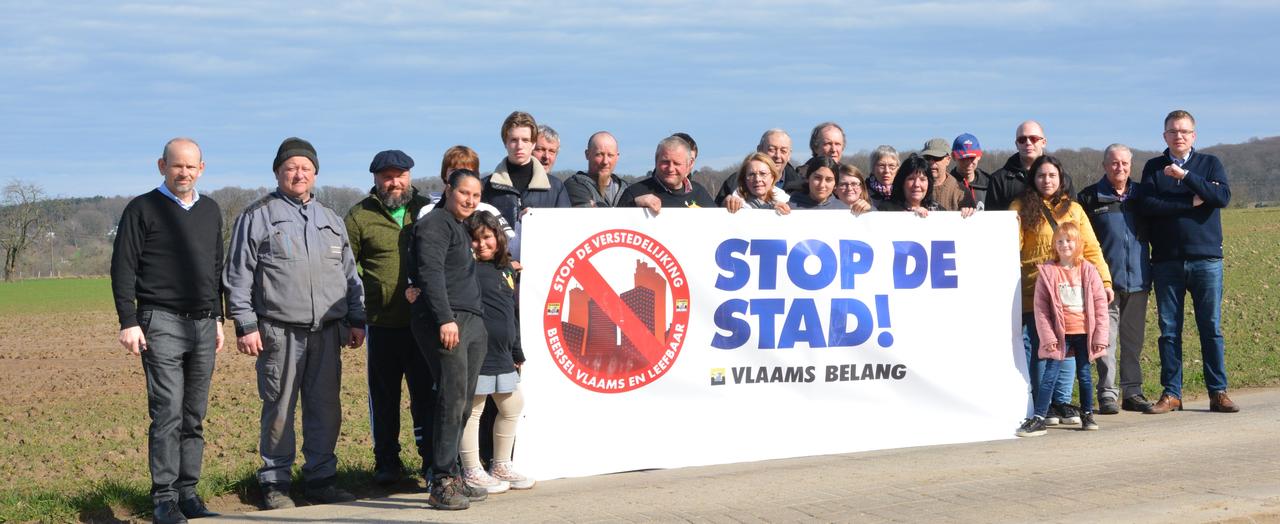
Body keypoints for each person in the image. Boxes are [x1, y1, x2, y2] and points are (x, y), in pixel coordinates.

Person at [224, 137, 366, 509]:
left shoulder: (331, 219)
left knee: (325, 408)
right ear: (278, 172)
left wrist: (357, 318)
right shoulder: (257, 216)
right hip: (278, 331)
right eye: (291, 167)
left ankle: (321, 479)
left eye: (306, 168)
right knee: (279, 408)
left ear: (315, 174)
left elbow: (349, 275)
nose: (298, 174)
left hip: (328, 332)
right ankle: (275, 482)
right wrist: (245, 324)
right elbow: (238, 274)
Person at [110, 137, 223, 524]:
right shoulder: (142, 209)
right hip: (160, 322)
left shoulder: (211, 210)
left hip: (204, 323)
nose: (184, 173)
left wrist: (219, 317)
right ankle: (164, 499)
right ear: (162, 166)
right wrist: (128, 320)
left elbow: (216, 267)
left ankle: (188, 493)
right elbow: (123, 267)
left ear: (201, 169)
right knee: (168, 413)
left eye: (191, 166)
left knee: (194, 414)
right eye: (177, 165)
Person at [344, 150, 435, 484]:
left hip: (424, 323)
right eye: (387, 177)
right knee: (384, 398)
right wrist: (357, 313)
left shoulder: (426, 210)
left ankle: (432, 461)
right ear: (375, 179)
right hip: (382, 323)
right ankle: (387, 463)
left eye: (400, 175)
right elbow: (346, 269)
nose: (394, 182)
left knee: (427, 396)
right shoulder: (359, 216)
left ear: (410, 176)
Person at [1138, 109, 1238, 414]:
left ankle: (1218, 392)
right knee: (1169, 330)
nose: (1178, 136)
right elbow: (1148, 205)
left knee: (1211, 328)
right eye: (1173, 131)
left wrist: (1186, 177)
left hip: (1206, 259)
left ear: (1193, 135)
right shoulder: (1154, 167)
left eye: (1184, 131)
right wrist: (1189, 202)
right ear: (1164, 136)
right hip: (1166, 261)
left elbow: (1221, 197)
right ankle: (1172, 393)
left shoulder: (1210, 163)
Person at [408, 168, 491, 510]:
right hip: (448, 319)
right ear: (447, 190)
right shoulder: (435, 224)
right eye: (464, 193)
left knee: (463, 402)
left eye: (476, 195)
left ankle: (453, 474)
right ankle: (441, 480)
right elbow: (429, 272)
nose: (470, 200)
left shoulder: (460, 227)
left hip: (471, 320)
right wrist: (444, 318)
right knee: (450, 400)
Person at [1009, 155, 1113, 428]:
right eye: (1041, 175)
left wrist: (1104, 281)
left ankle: (1062, 401)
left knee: (1069, 350)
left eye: (1052, 175)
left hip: (1072, 292)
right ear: (1033, 179)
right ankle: (1041, 404)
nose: (1047, 180)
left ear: (1061, 178)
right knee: (1043, 348)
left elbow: (1091, 247)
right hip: (1036, 290)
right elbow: (1010, 247)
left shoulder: (1074, 209)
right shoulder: (1020, 207)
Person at [458, 211, 535, 494]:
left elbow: (510, 313)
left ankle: (501, 465)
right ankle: (471, 470)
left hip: (503, 353)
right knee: (473, 411)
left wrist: (517, 350)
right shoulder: (464, 271)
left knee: (512, 406)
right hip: (477, 352)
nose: (482, 244)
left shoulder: (506, 270)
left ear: (498, 238)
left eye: (487, 237)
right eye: (475, 239)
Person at [1076, 144, 1152, 414]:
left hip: (1139, 280)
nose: (1120, 167)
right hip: (1104, 284)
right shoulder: (1089, 197)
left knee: (1133, 341)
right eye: (1114, 163)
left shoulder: (1143, 195)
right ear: (1104, 165)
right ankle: (1107, 394)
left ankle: (1133, 392)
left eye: (1125, 163)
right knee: (1105, 341)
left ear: (1131, 165)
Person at [1016, 222, 1110, 437]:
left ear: (1079, 244)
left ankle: (1087, 414)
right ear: (1054, 244)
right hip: (1060, 335)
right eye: (1059, 241)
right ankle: (1040, 417)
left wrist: (1100, 336)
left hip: (1084, 333)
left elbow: (1100, 306)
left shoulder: (1089, 270)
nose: (1064, 245)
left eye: (1069, 241)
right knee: (1050, 375)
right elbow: (1041, 309)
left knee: (1085, 375)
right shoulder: (1048, 272)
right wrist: (1048, 336)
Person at [481, 111, 571, 260]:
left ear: (533, 143)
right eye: (513, 140)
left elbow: (567, 233)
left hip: (543, 265)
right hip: (497, 268)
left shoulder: (555, 188)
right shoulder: (486, 187)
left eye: (525, 140)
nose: (519, 146)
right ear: (505, 142)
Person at [419, 146, 513, 239]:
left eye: (467, 171)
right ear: (444, 174)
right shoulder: (428, 212)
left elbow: (511, 241)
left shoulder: (488, 210)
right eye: (454, 170)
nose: (460, 175)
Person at [985, 120, 1073, 210]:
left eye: (1033, 139)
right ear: (1016, 144)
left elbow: (1074, 214)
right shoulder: (999, 180)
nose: (1028, 143)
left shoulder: (1063, 180)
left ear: (1044, 142)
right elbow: (992, 217)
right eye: (1022, 140)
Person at [619, 135, 715, 213]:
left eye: (677, 163)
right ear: (656, 161)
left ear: (688, 165)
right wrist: (633, 205)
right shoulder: (635, 193)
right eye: (665, 162)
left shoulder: (700, 193)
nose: (670, 169)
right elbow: (616, 224)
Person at [715, 129, 805, 204]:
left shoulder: (802, 188)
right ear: (759, 150)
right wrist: (725, 204)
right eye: (772, 150)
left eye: (783, 151)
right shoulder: (734, 183)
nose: (777, 155)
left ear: (789, 155)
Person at [565, 131, 630, 207]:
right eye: (599, 154)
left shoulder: (627, 189)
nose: (605, 161)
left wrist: (598, 206)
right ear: (587, 154)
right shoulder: (575, 186)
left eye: (610, 155)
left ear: (617, 157)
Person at [722, 152, 791, 214]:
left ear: (772, 177)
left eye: (763, 174)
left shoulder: (785, 199)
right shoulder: (735, 201)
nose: (757, 179)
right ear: (744, 178)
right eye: (751, 174)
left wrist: (785, 210)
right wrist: (726, 205)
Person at [922, 138, 965, 211]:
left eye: (937, 158)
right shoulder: (913, 188)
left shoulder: (961, 192)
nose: (931, 162)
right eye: (927, 158)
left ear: (948, 160)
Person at [951, 133, 989, 209]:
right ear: (953, 156)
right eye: (963, 158)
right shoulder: (947, 185)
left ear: (979, 156)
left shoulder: (990, 184)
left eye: (972, 158)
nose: (968, 163)